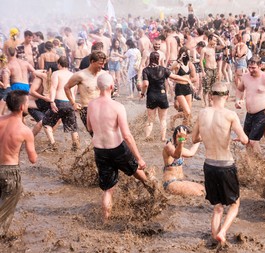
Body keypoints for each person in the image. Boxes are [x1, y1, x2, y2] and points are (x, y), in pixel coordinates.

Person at [87, 72, 149, 222]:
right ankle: (152, 189)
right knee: (135, 169)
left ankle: (106, 220)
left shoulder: (91, 105)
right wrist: (139, 158)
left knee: (108, 189)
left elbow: (89, 128)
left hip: (99, 150)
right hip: (117, 147)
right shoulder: (117, 106)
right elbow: (127, 135)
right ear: (111, 87)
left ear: (98, 87)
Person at [192, 81, 248, 246]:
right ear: (227, 96)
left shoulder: (202, 113)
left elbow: (194, 139)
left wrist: (207, 136)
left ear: (210, 96)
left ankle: (215, 238)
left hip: (209, 165)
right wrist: (236, 137)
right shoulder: (230, 115)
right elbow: (245, 140)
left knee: (217, 207)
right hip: (226, 164)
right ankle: (222, 232)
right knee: (235, 204)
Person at [0, 90, 37, 236]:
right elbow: (33, 159)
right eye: (27, 103)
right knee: (5, 209)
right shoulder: (25, 130)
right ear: (22, 107)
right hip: (10, 171)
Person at [235, 56, 265, 152]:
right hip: (250, 114)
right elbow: (239, 89)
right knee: (247, 140)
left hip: (264, 112)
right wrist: (237, 100)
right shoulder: (245, 76)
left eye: (253, 68)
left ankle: (262, 164)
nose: (250, 70)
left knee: (253, 141)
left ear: (260, 66)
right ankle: (251, 164)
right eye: (249, 67)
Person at [141, 51, 191, 142]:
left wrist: (142, 93)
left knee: (150, 120)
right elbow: (174, 77)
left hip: (151, 96)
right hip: (162, 96)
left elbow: (145, 84)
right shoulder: (163, 69)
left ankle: (147, 137)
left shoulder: (146, 70)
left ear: (149, 59)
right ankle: (163, 138)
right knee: (163, 119)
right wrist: (186, 79)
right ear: (159, 59)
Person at [42, 56, 80, 151]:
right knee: (73, 128)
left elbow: (53, 87)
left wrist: (52, 101)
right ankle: (76, 147)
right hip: (70, 103)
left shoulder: (56, 73)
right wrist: (73, 103)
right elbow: (74, 91)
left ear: (59, 64)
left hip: (59, 102)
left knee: (46, 123)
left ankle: (52, 144)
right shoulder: (73, 75)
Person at [64, 51, 107, 131]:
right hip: (87, 109)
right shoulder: (80, 75)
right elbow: (66, 87)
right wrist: (73, 103)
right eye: (100, 63)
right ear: (92, 62)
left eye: (104, 63)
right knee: (95, 134)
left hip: (102, 108)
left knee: (106, 133)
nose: (103, 66)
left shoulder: (103, 74)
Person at [162, 125, 204, 196]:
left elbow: (191, 153)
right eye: (184, 136)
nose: (186, 139)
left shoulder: (179, 148)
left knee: (202, 189)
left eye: (186, 137)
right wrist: (181, 141)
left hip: (180, 181)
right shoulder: (168, 146)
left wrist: (199, 138)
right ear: (176, 135)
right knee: (198, 194)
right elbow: (176, 155)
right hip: (171, 182)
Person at [170, 46, 196, 126]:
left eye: (188, 53)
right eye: (185, 53)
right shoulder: (177, 64)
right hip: (179, 88)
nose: (187, 55)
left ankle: (185, 127)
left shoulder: (190, 64)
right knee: (187, 111)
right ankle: (175, 120)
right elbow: (170, 69)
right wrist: (179, 59)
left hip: (188, 88)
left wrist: (189, 81)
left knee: (187, 113)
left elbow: (194, 77)